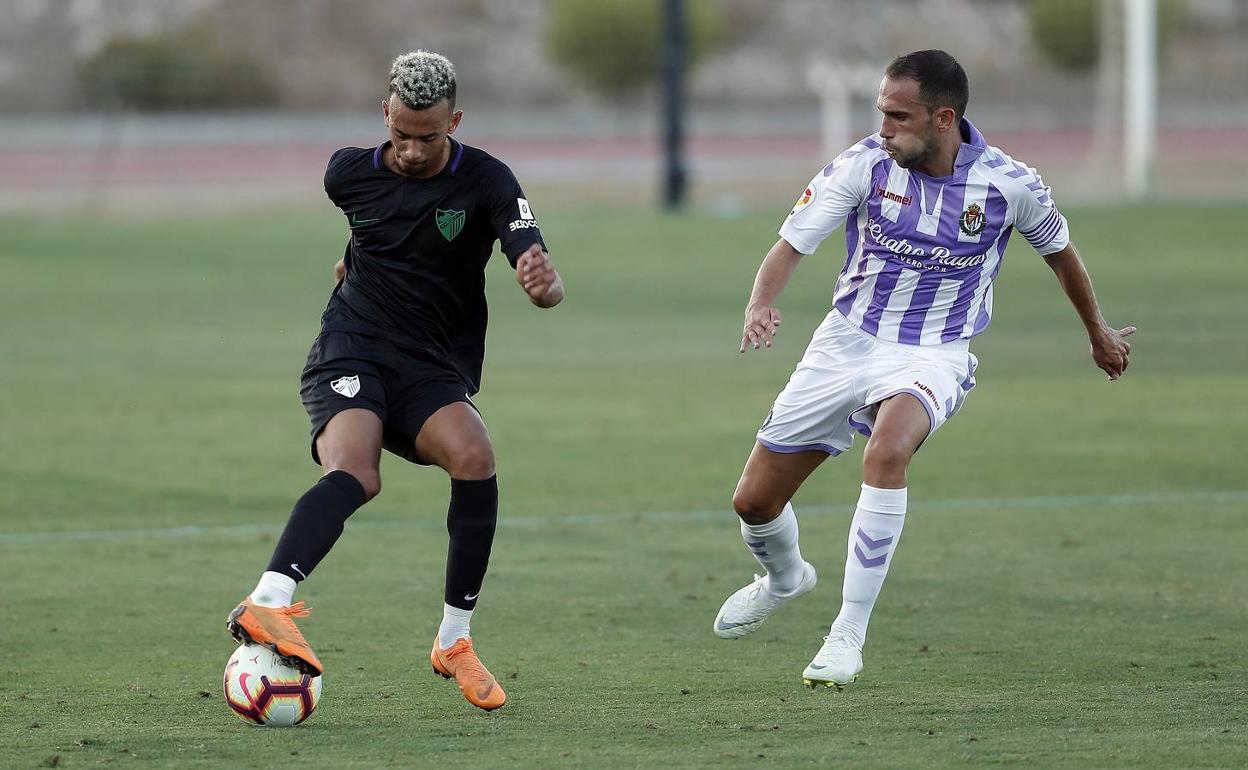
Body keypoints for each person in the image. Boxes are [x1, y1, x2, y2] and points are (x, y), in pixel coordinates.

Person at [712, 50, 1134, 689]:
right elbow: (793, 243)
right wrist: (759, 303)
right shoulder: (864, 165)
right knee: (753, 501)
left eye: (897, 116)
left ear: (943, 118)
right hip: (846, 342)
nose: (883, 127)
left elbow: (1062, 256)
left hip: (933, 351)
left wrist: (1096, 330)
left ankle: (848, 633)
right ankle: (785, 577)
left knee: (886, 452)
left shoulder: (1007, 184)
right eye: (881, 112)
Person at [226, 50, 564, 711]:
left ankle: (454, 640)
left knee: (475, 456)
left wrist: (542, 283)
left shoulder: (489, 181)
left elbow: (534, 261)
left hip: (431, 364)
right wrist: (351, 268)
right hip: (350, 348)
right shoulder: (347, 173)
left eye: (428, 137)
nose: (411, 151)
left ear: (455, 122)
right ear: (385, 114)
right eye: (401, 134)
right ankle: (267, 601)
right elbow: (374, 238)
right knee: (357, 473)